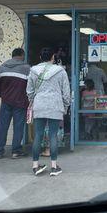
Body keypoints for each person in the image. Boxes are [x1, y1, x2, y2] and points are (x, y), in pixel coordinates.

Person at [27, 47, 71, 176]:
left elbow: (29, 90)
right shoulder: (60, 71)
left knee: (38, 135)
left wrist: (33, 100)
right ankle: (54, 166)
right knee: (53, 135)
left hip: (39, 104)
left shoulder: (33, 71)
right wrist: (65, 106)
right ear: (53, 57)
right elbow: (66, 91)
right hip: (55, 105)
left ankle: (35, 166)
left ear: (40, 58)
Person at [0, 48, 31, 159]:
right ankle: (16, 151)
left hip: (5, 102)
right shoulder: (26, 69)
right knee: (18, 127)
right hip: (20, 103)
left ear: (12, 55)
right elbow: (30, 87)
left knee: (2, 126)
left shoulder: (1, 68)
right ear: (22, 55)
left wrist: (4, 96)